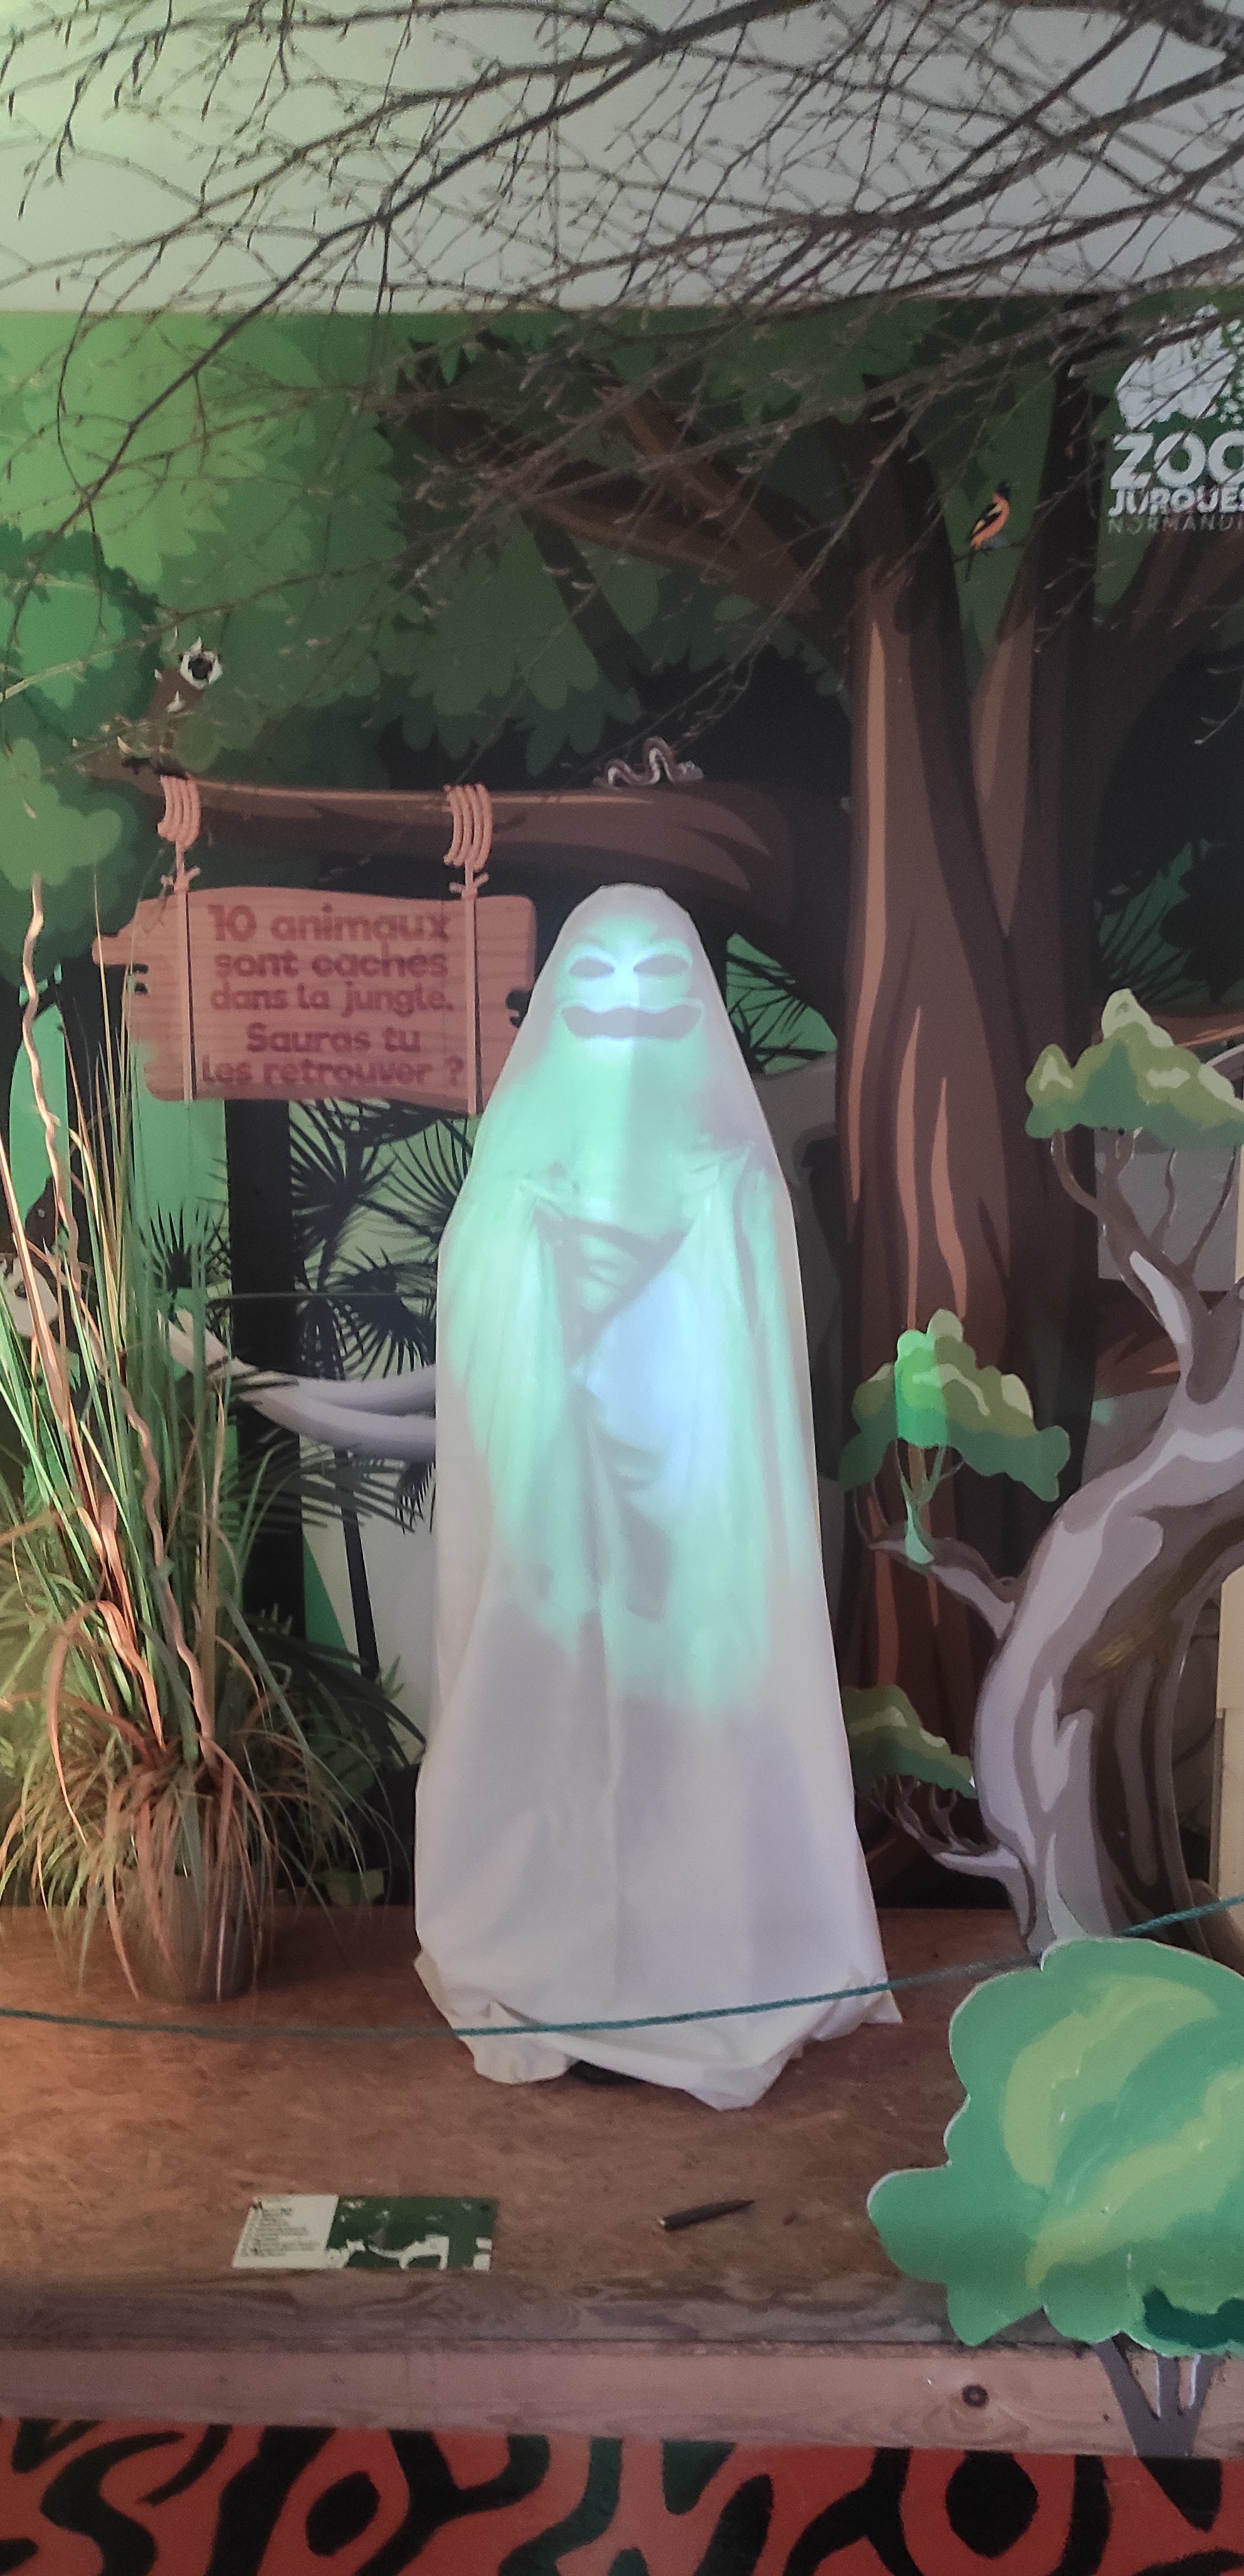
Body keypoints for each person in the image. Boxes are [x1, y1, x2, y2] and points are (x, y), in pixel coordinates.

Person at [414, 884, 895, 2107]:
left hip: (690, 1532)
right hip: (550, 1532)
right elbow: (484, 1360)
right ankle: (548, 1958)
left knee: (695, 1747)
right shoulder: (512, 1184)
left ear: (696, 1004)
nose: (626, 1015)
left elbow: (750, 1389)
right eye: (597, 985)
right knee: (549, 1742)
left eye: (655, 986)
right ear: (557, 1003)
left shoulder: (733, 1181)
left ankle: (705, 1960)